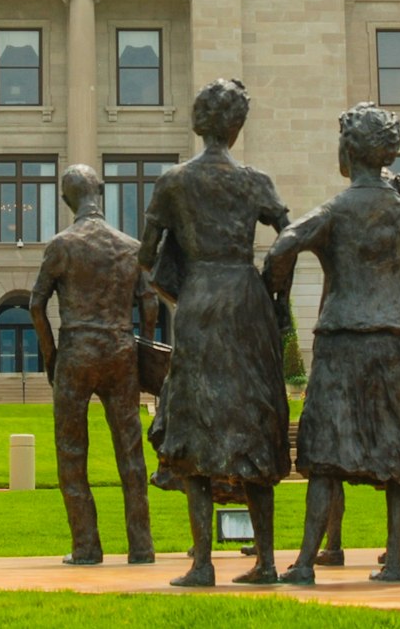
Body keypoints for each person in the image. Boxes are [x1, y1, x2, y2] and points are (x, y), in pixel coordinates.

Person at [265, 105, 400, 585]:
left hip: (344, 340)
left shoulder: (334, 211)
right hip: (399, 342)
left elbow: (282, 247)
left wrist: (276, 304)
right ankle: (394, 561)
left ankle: (306, 562)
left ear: (349, 151)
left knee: (327, 449)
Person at [137, 78, 292, 587]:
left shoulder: (174, 181)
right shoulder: (255, 180)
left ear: (199, 121)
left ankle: (203, 562)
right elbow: (288, 237)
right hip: (246, 300)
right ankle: (266, 560)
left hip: (202, 299)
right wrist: (273, 287)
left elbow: (145, 253)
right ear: (237, 125)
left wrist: (170, 268)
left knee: (194, 420)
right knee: (254, 415)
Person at [29, 164, 159, 566]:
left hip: (77, 350)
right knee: (131, 453)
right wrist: (145, 347)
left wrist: (51, 357)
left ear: (68, 200)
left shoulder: (62, 244)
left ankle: (87, 547)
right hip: (120, 349)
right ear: (99, 192)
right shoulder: (130, 246)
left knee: (72, 452)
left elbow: (36, 305)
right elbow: (150, 301)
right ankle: (141, 546)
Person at [314, 167, 400, 569]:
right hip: (385, 348)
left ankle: (372, 547)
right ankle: (376, 548)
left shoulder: (362, 232)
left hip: (357, 347)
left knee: (343, 452)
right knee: (356, 452)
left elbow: (330, 289)